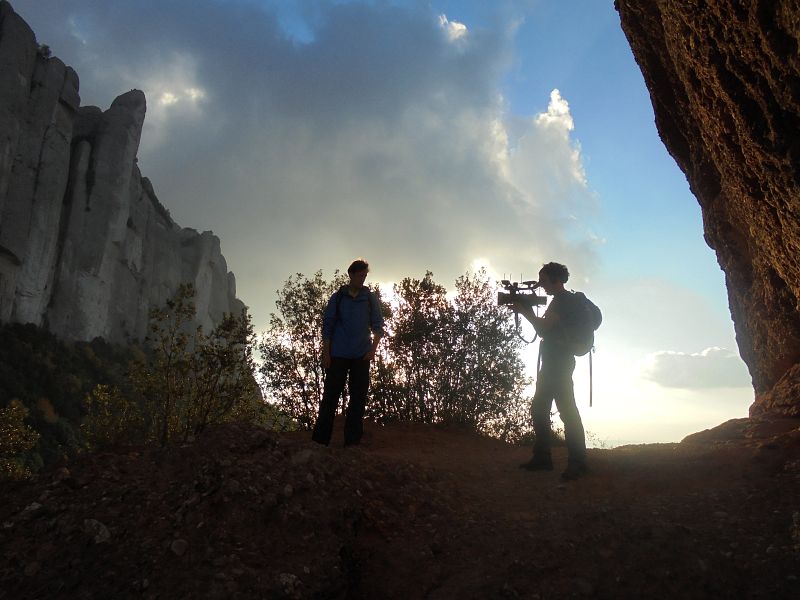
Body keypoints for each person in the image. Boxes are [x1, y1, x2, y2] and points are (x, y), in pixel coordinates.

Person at [513, 261, 588, 480]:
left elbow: (544, 328)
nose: (540, 284)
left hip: (559, 360)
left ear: (556, 280)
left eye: (544, 280)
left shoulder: (563, 301)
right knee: (539, 408)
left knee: (566, 410)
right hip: (555, 359)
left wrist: (525, 311)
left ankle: (577, 462)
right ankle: (543, 458)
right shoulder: (560, 301)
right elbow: (547, 328)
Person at [312, 258, 384, 447]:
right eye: (360, 275)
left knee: (358, 399)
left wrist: (372, 350)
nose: (363, 279)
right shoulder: (338, 298)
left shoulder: (369, 298)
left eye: (365, 275)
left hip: (361, 355)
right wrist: (326, 353)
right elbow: (327, 326)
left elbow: (378, 325)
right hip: (338, 355)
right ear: (350, 275)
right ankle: (320, 441)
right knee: (330, 397)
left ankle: (352, 443)